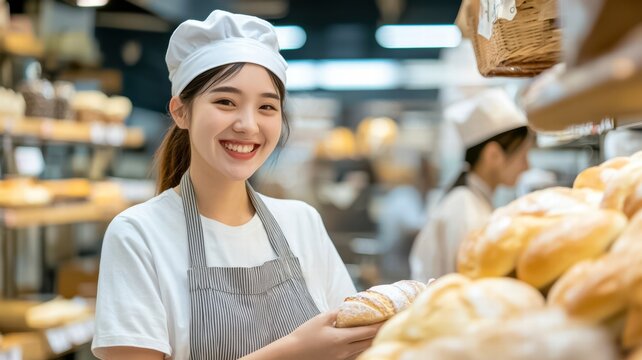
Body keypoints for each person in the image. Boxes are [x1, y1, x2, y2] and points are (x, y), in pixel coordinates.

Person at [91, 10, 380, 360]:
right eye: (225, 102)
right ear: (180, 111)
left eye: (267, 107)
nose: (248, 124)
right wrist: (295, 352)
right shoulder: (139, 235)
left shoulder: (301, 223)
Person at [409, 89, 534, 283]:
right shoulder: (465, 208)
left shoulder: (470, 200)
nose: (527, 166)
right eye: (523, 156)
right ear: (493, 155)